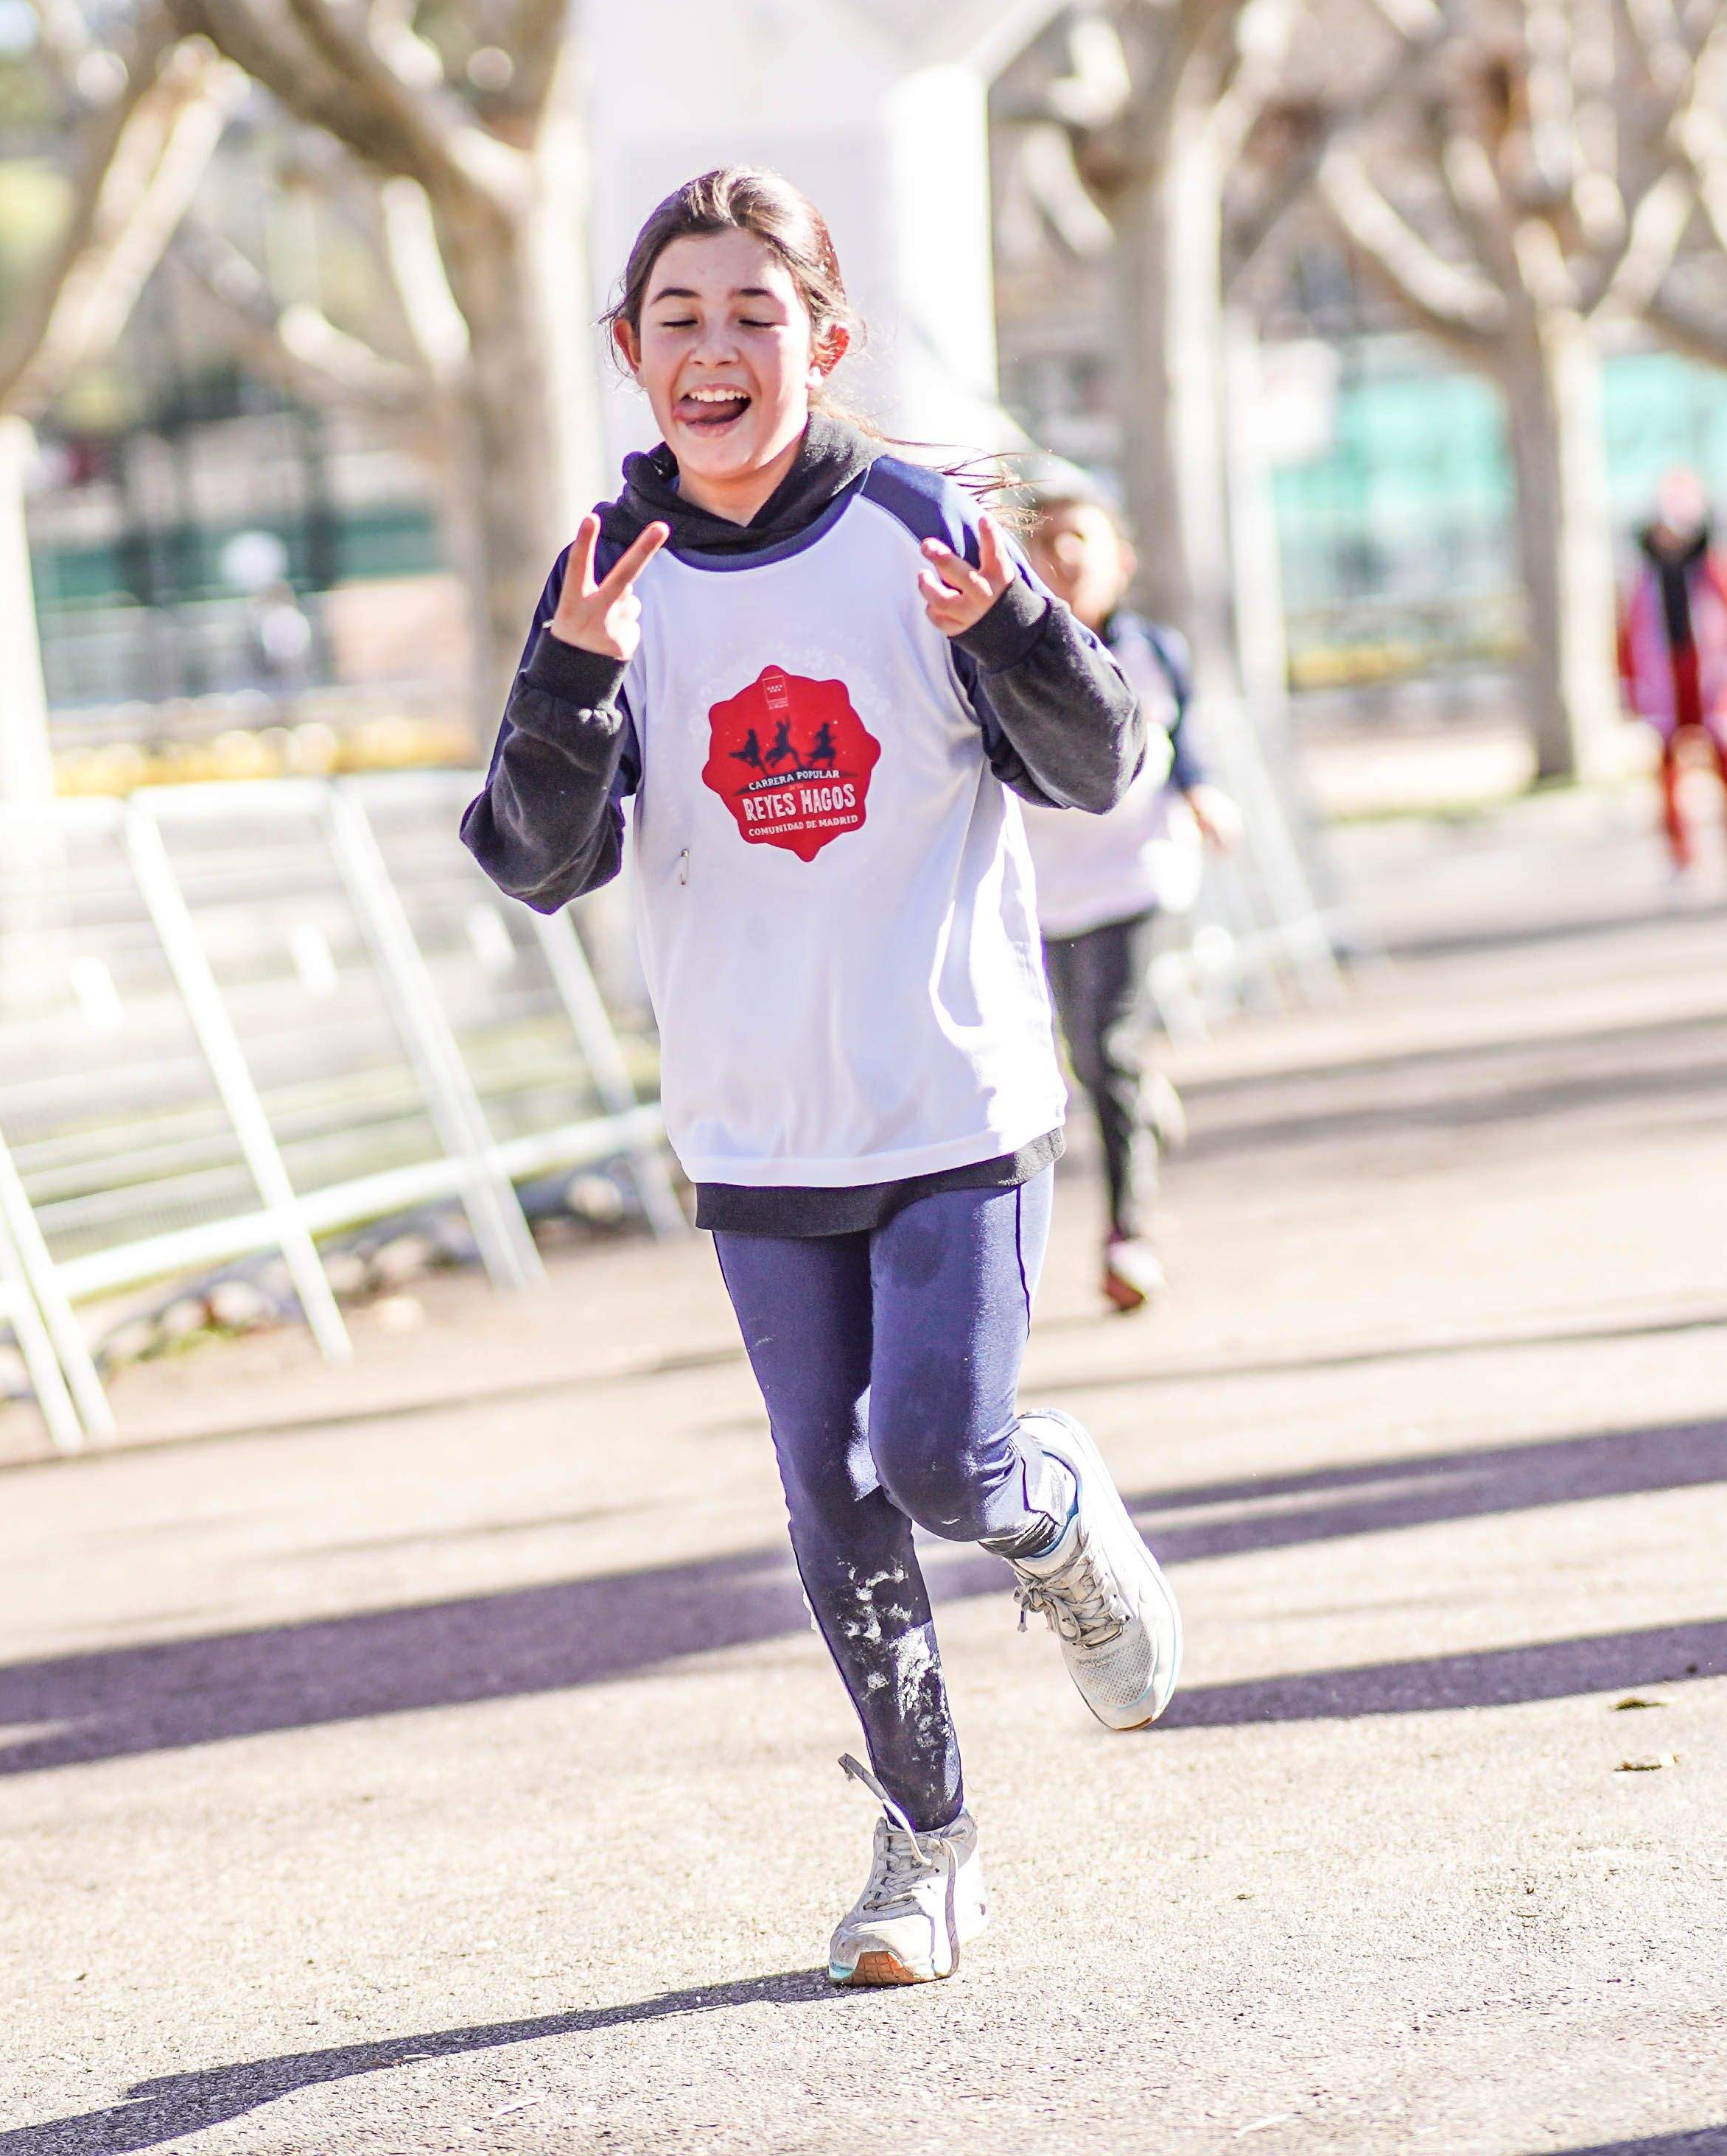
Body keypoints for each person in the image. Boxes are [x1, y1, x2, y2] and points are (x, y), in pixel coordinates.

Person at [464, 168, 1188, 1990]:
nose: (717, 348)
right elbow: (535, 860)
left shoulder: (923, 529)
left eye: (755, 313)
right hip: (753, 1126)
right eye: (680, 318)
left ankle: (1044, 1504)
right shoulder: (609, 571)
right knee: (833, 1499)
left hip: (950, 1099)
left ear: (825, 339)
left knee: (939, 1459)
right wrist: (574, 678)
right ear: (630, 350)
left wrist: (1009, 627)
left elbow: (1098, 766)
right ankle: (928, 1844)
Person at [1015, 476, 1241, 1315]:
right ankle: (1140, 1099)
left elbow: (1183, 740)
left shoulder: (1153, 651)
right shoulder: (1007, 652)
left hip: (1136, 871)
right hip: (1043, 884)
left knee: (1103, 1047)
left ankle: (1127, 1234)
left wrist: (1203, 793)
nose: (1065, 556)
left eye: (1084, 539)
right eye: (1046, 542)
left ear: (1123, 560)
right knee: (1082, 1052)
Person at [1619, 473, 1727, 891]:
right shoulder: (1644, 579)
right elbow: (1628, 634)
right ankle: (1680, 860)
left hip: (1714, 681)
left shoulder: (1717, 571)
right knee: (1668, 778)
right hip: (1665, 683)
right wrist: (1629, 684)